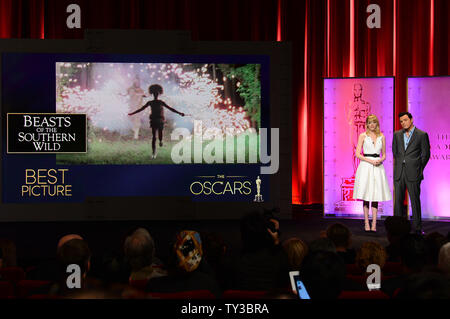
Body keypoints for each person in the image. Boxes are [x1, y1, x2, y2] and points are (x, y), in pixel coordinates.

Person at [392, 112, 430, 235]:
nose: (403, 123)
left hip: (414, 172)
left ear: (411, 119)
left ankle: (417, 228)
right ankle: (397, 228)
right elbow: (395, 152)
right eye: (401, 121)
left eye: (405, 120)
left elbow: (425, 154)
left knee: (414, 200)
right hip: (399, 172)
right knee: (397, 201)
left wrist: (418, 168)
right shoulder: (397, 134)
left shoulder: (421, 135)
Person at [353, 114, 392, 232]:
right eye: (370, 122)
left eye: (374, 122)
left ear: (377, 124)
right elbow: (357, 154)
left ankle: (374, 223)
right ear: (367, 124)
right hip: (366, 166)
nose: (372, 125)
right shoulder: (363, 136)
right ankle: (366, 222)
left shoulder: (382, 136)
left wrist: (381, 159)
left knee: (375, 196)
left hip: (378, 167)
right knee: (366, 195)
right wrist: (369, 160)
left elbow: (384, 154)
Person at [128, 84, 185, 159]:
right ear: (153, 94)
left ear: (158, 94)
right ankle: (154, 153)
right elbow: (141, 109)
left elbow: (171, 108)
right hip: (154, 120)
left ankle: (160, 141)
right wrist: (132, 113)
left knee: (160, 134)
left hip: (160, 120)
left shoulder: (161, 102)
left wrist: (180, 113)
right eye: (154, 93)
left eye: (156, 93)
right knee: (154, 137)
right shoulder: (150, 102)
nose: (155, 95)